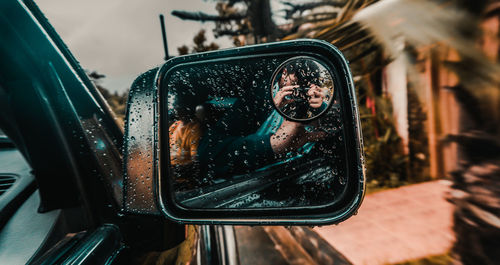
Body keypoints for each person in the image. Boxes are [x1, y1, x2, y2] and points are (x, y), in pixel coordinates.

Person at [197, 59, 327, 178]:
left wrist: (320, 108)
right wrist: (273, 145)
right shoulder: (258, 99)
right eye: (295, 85)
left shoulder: (312, 106)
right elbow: (208, 153)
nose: (299, 93)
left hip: (298, 176)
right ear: (284, 73)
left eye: (305, 89)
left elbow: (333, 130)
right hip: (254, 181)